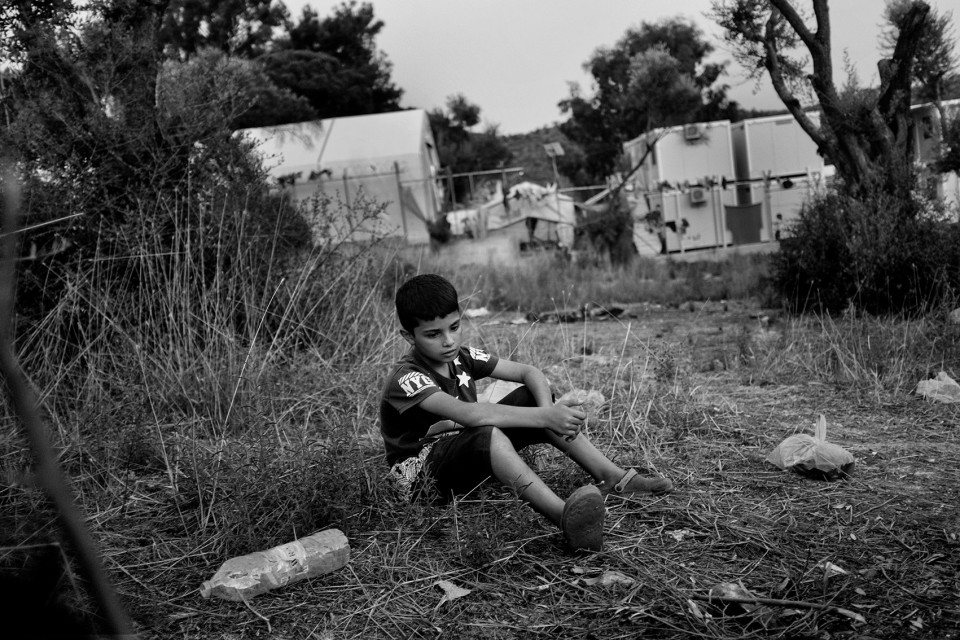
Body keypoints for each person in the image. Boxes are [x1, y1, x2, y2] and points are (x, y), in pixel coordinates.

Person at [379, 274, 673, 552]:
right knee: (487, 432)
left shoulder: (461, 357)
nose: (448, 341)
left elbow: (528, 372)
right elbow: (469, 415)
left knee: (530, 396)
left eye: (454, 327)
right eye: (433, 334)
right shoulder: (407, 378)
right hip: (422, 481)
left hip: (464, 453)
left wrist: (546, 410)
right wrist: (546, 418)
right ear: (408, 336)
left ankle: (613, 477)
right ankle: (565, 517)